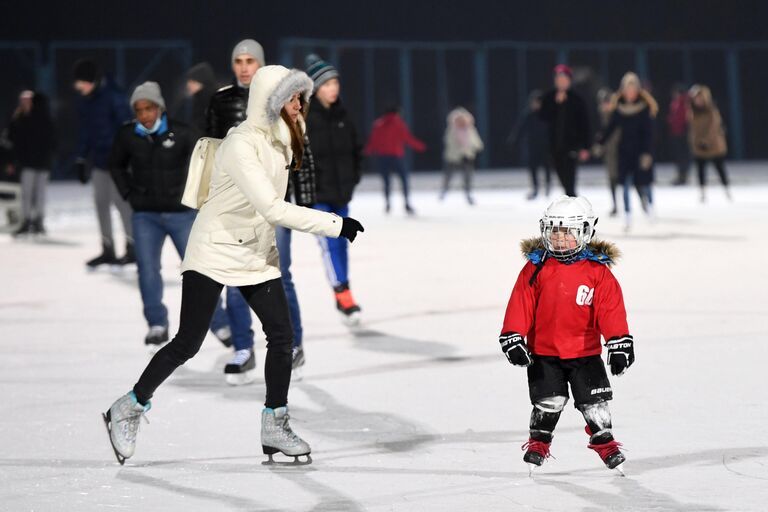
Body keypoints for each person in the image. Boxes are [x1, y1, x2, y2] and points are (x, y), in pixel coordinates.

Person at [103, 66, 365, 466]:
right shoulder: (241, 144)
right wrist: (335, 224)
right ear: (271, 101)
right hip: (215, 250)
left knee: (282, 336)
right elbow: (272, 207)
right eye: (293, 98)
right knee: (188, 343)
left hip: (255, 253)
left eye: (301, 98)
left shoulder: (284, 139)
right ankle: (129, 405)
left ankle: (274, 423)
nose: (300, 105)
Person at [498, 195, 634, 473]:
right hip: (544, 353)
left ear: (585, 232)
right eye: (554, 232)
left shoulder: (598, 272)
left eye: (567, 233)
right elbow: (520, 303)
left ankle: (606, 444)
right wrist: (513, 335)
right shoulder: (535, 268)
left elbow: (610, 310)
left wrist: (618, 342)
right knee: (548, 402)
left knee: (595, 403)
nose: (560, 239)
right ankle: (538, 443)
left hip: (585, 353)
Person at [109, 82, 233, 352]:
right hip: (145, 216)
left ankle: (220, 323)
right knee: (147, 270)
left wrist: (193, 196)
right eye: (139, 110)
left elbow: (206, 162)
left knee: (200, 271)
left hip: (181, 215)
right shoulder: (128, 135)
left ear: (159, 107)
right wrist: (129, 194)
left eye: (149, 108)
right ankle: (156, 324)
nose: (144, 114)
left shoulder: (183, 132)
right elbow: (115, 165)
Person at [205, 39, 267, 383]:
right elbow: (210, 150)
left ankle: (289, 345)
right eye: (239, 60)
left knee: (277, 277)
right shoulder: (220, 100)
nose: (244, 66)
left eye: (250, 60)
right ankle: (243, 347)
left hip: (270, 201)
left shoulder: (277, 101)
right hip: (231, 200)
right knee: (233, 276)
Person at [305, 54, 364, 328]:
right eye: (327, 84)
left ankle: (344, 291)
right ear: (316, 88)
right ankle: (343, 293)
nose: (333, 88)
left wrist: (353, 179)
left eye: (335, 83)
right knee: (329, 244)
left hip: (341, 194)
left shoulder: (344, 115)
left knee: (342, 243)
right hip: (318, 197)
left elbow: (355, 150)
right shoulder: (305, 118)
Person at [71, 58, 135, 267]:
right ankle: (107, 249)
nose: (79, 87)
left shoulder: (114, 98)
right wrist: (81, 158)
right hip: (99, 162)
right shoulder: (86, 101)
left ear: (93, 80)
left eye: (83, 82)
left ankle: (133, 247)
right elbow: (86, 132)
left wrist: (126, 158)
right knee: (100, 204)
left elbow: (127, 129)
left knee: (122, 204)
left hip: (118, 163)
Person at [595, 73, 657, 230]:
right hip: (624, 151)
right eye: (627, 89)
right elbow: (611, 128)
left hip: (640, 151)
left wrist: (648, 153)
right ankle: (627, 216)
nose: (630, 92)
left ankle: (648, 207)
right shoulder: (619, 108)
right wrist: (600, 142)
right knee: (624, 184)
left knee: (641, 183)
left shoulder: (644, 108)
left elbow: (648, 133)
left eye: (633, 89)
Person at [6, 90, 56, 236]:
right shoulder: (18, 118)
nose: (25, 103)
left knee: (40, 193)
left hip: (42, 162)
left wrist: (50, 157)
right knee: (26, 193)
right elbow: (12, 141)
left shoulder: (44, 118)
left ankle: (39, 221)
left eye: (28, 100)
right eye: (23, 100)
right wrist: (12, 160)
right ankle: (26, 220)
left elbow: (52, 140)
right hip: (27, 162)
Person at [538, 65, 591, 197]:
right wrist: (556, 104)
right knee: (562, 177)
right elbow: (542, 117)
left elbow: (585, 124)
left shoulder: (577, 99)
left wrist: (586, 147)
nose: (561, 81)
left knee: (570, 180)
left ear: (569, 80)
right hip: (554, 146)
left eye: (564, 79)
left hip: (572, 146)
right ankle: (572, 200)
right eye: (558, 79)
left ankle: (573, 204)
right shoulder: (549, 97)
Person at [364, 106, 426, 215]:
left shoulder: (378, 125)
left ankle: (388, 204)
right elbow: (407, 138)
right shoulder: (398, 124)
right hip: (397, 157)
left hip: (383, 157)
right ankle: (406, 203)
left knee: (387, 182)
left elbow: (373, 141)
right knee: (404, 181)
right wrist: (420, 147)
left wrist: (367, 152)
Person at [688, 85, 730, 202]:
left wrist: (706, 140)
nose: (698, 101)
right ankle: (702, 192)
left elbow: (714, 127)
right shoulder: (692, 112)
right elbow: (692, 130)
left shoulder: (712, 111)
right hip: (698, 146)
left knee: (720, 168)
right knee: (700, 170)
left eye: (700, 98)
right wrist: (696, 142)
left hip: (714, 145)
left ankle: (726, 189)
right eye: (696, 98)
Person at [508, 90, 551, 200]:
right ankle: (535, 188)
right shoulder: (528, 115)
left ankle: (548, 186)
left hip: (546, 146)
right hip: (533, 146)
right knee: (533, 168)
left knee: (547, 167)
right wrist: (514, 140)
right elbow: (520, 129)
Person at [440, 106, 483, 205]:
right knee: (449, 176)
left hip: (467, 156)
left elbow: (475, 140)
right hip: (453, 157)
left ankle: (468, 194)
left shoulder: (470, 129)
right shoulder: (452, 130)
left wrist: (478, 147)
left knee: (467, 176)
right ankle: (444, 191)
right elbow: (448, 142)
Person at [596, 88, 620, 216]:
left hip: (621, 149)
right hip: (609, 151)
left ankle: (643, 203)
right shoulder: (600, 115)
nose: (605, 105)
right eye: (603, 103)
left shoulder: (618, 113)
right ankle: (615, 205)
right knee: (612, 179)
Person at [181, 62, 217, 133]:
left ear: (201, 82)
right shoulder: (199, 99)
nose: (188, 85)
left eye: (192, 81)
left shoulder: (210, 100)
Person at [667, 84, 690, 186]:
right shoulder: (676, 103)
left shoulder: (684, 103)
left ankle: (683, 176)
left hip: (682, 133)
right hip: (676, 132)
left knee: (682, 156)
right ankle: (681, 176)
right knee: (679, 156)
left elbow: (684, 118)